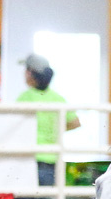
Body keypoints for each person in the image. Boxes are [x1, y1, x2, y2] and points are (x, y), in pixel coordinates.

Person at [16, 53, 81, 187]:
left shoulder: (25, 98)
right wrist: (55, 129)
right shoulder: (58, 99)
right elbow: (75, 123)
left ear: (30, 73)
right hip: (52, 158)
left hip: (30, 158)